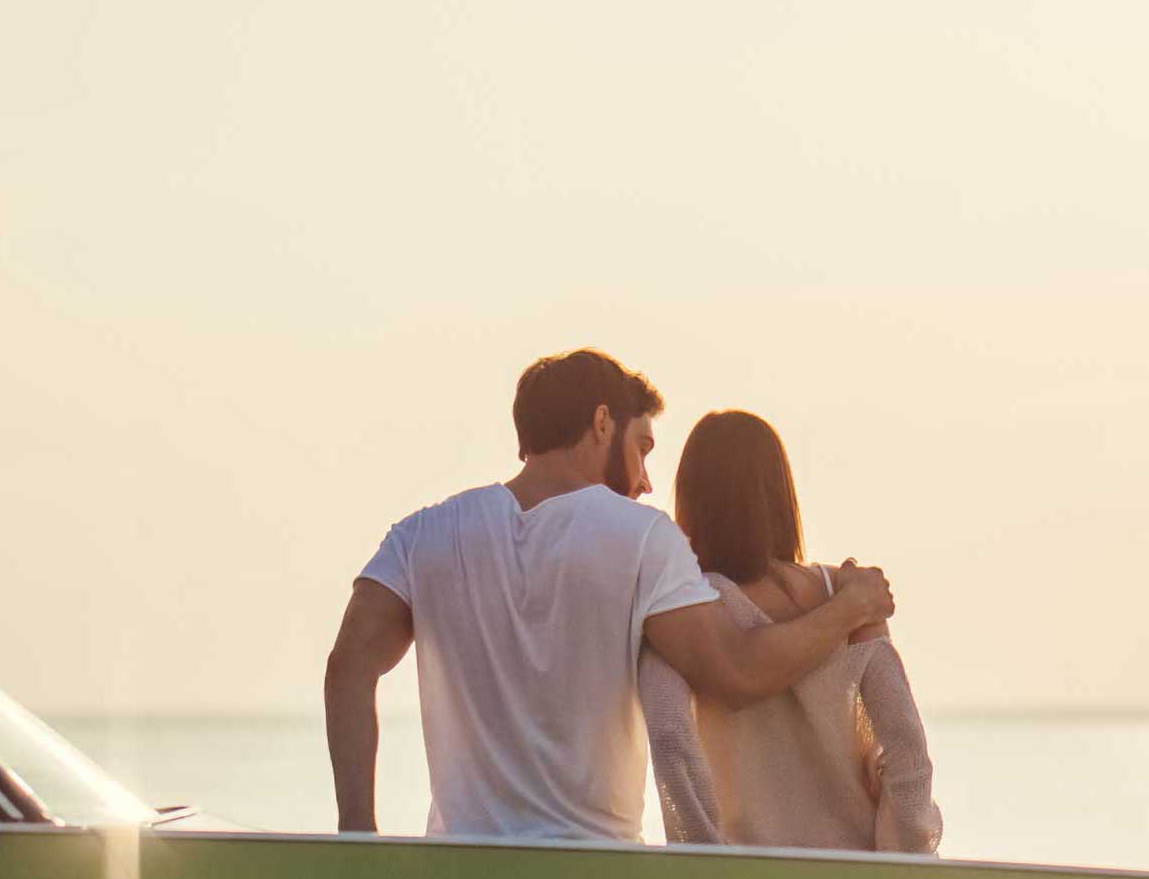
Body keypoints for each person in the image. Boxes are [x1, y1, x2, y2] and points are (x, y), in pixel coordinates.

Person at [324, 350, 893, 840]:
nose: (646, 480)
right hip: (597, 871)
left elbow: (348, 667)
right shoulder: (643, 539)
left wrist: (357, 831)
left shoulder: (423, 535)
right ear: (601, 423)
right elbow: (736, 672)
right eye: (642, 448)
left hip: (461, 870)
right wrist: (851, 608)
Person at [639, 409, 941, 853]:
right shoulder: (847, 592)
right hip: (859, 871)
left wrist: (702, 857)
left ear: (691, 499)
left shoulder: (682, 609)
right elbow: (906, 748)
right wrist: (902, 858)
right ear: (780, 493)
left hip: (746, 876)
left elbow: (671, 739)